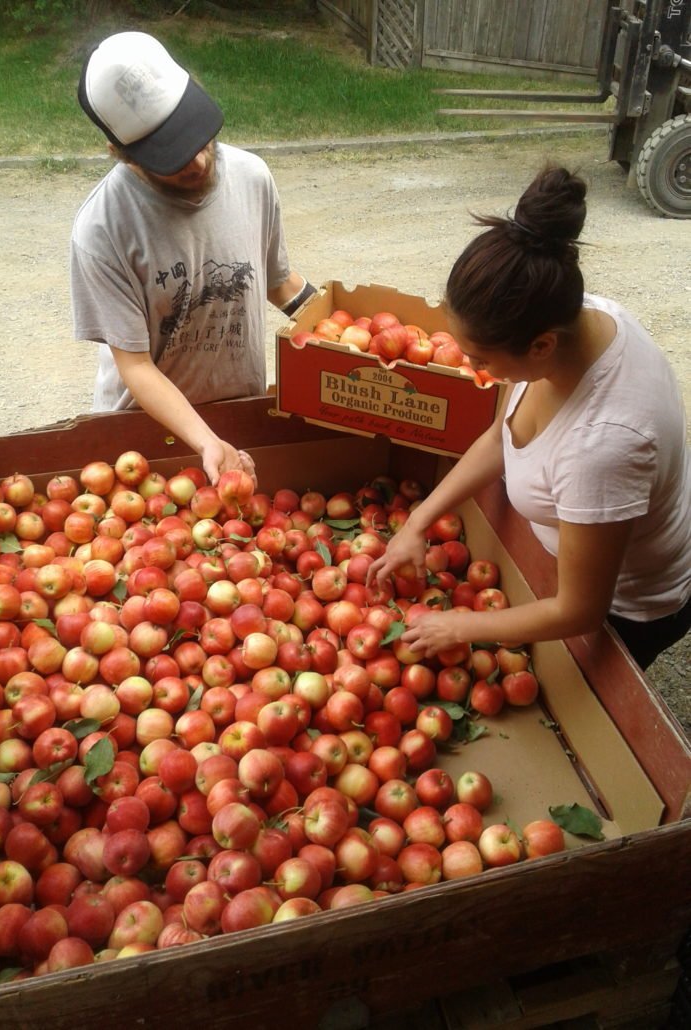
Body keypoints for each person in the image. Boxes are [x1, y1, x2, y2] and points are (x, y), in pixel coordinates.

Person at [368, 165, 691, 670]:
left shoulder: (603, 444)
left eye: (481, 359)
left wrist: (459, 626)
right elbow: (501, 437)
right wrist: (419, 520)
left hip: (626, 610)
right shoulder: (573, 316)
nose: (473, 369)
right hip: (574, 562)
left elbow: (580, 610)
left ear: (541, 346)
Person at [70, 31, 315, 485]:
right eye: (172, 156)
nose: (198, 162)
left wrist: (346, 329)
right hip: (144, 436)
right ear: (122, 154)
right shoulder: (103, 227)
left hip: (237, 414)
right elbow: (135, 366)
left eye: (198, 137)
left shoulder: (253, 177)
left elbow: (278, 281)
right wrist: (205, 441)